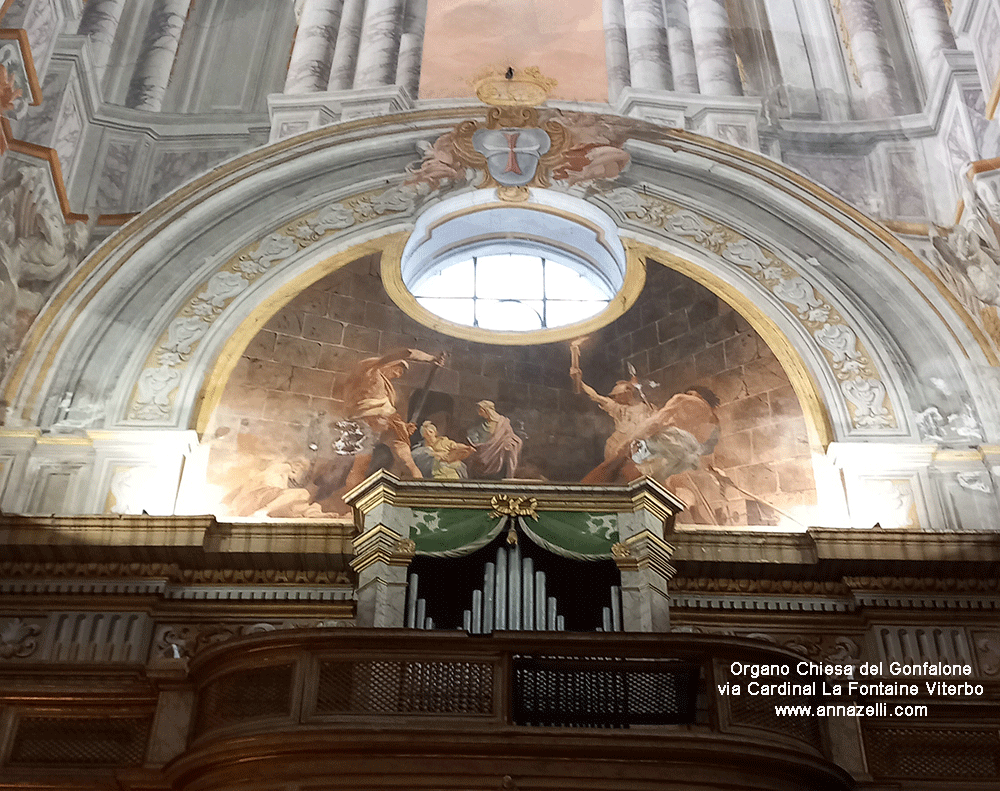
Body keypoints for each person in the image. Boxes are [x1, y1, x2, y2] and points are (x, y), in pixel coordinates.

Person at [340, 348, 445, 491]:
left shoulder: (387, 388)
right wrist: (430, 358)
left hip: (389, 423)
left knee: (407, 461)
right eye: (396, 370)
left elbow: (388, 410)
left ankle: (420, 495)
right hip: (368, 421)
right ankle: (350, 504)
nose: (397, 375)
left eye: (400, 373)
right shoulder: (370, 371)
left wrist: (404, 426)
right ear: (389, 364)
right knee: (361, 464)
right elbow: (406, 352)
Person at [581, 386, 720, 485]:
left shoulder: (683, 404)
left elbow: (656, 421)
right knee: (622, 470)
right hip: (658, 450)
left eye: (692, 395)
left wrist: (632, 442)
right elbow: (657, 421)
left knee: (622, 470)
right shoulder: (709, 420)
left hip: (664, 451)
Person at [570, 362, 654, 461]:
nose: (615, 398)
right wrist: (579, 381)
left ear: (627, 393)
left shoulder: (646, 407)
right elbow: (596, 396)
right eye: (615, 397)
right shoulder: (618, 408)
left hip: (641, 449)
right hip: (620, 446)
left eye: (617, 395)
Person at [468, 400, 522, 478]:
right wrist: (477, 443)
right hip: (481, 454)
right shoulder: (480, 423)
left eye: (481, 411)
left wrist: (507, 444)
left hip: (498, 458)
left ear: (487, 410)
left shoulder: (503, 423)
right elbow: (472, 434)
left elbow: (510, 436)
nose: (479, 414)